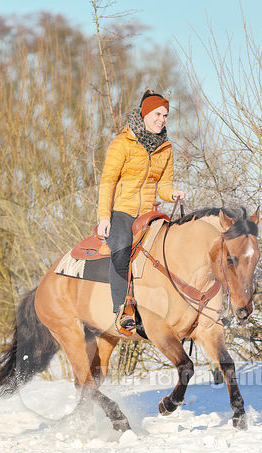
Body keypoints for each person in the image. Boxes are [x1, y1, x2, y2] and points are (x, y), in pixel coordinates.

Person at [97, 90, 184, 333]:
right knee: (122, 248)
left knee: (167, 250)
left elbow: (163, 184)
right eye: (157, 114)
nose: (162, 119)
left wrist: (172, 193)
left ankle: (163, 308)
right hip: (122, 211)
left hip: (149, 212)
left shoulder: (165, 148)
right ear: (145, 114)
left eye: (166, 115)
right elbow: (108, 181)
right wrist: (104, 217)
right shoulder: (122, 143)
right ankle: (122, 310)